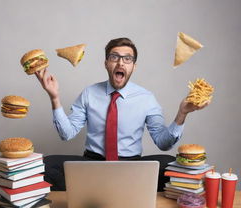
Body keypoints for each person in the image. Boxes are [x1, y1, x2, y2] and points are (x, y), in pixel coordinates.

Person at [35, 37, 208, 191]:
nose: (120, 63)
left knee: (168, 163)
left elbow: (163, 143)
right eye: (114, 57)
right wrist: (54, 97)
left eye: (127, 59)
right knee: (46, 164)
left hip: (131, 166)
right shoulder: (89, 93)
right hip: (92, 165)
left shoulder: (146, 98)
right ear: (106, 63)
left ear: (134, 66)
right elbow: (67, 134)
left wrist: (182, 113)